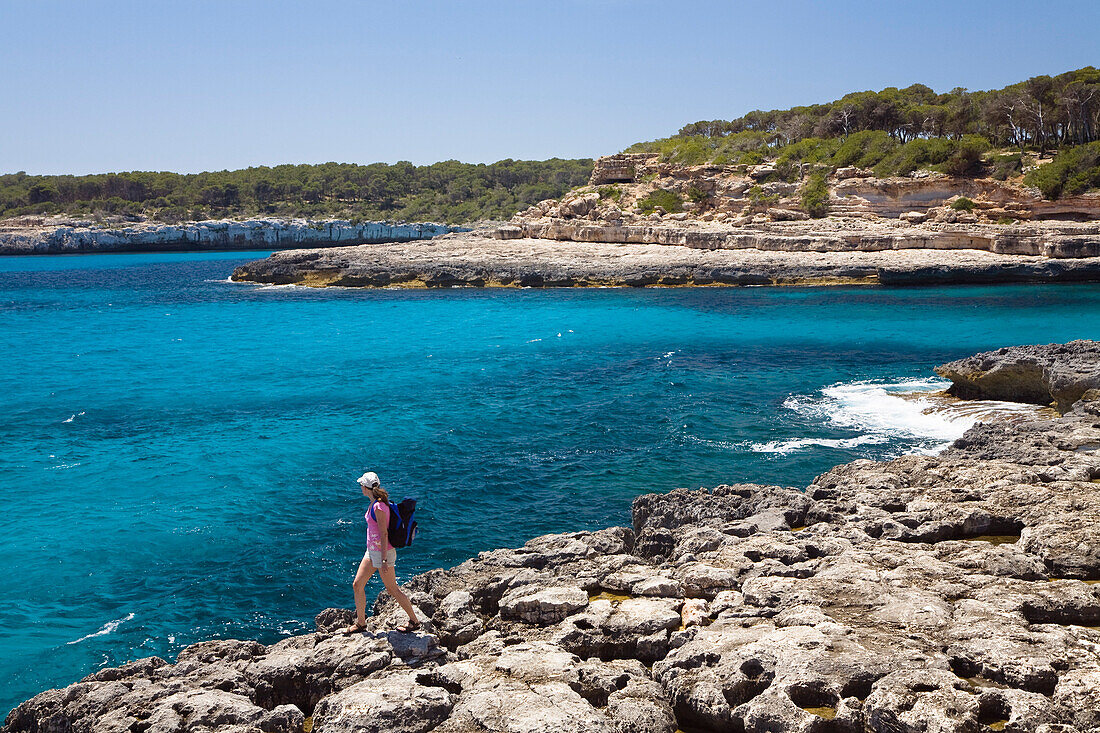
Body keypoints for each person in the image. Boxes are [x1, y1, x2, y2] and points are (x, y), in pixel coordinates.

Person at [341, 471, 420, 634]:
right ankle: (361, 623)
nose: (360, 487)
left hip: (383, 553)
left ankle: (414, 621)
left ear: (366, 488)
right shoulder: (374, 503)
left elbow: (384, 533)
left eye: (361, 485)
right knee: (357, 585)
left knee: (392, 589)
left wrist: (384, 560)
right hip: (372, 551)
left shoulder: (378, 506)